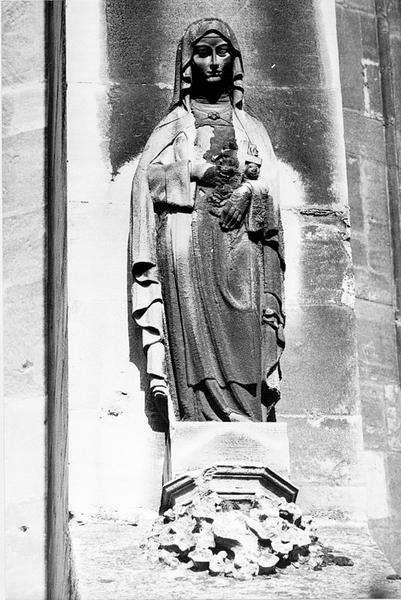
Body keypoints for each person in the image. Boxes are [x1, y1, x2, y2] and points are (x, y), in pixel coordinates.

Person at [130, 18, 285, 423]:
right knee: (194, 326)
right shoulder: (174, 126)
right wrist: (196, 172)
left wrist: (248, 193)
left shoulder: (252, 129)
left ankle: (246, 412)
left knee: (246, 321)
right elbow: (148, 181)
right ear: (189, 63)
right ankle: (199, 411)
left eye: (222, 53)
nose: (213, 62)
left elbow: (270, 189)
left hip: (241, 241)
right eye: (203, 53)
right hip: (189, 237)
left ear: (233, 61)